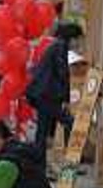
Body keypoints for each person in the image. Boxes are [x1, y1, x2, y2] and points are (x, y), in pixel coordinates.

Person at [26, 21, 84, 168]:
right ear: (71, 37)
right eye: (78, 39)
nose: (78, 43)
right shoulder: (59, 47)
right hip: (48, 95)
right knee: (69, 122)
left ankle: (40, 165)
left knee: (43, 131)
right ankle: (70, 161)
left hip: (43, 94)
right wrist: (66, 99)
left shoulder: (56, 45)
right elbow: (62, 73)